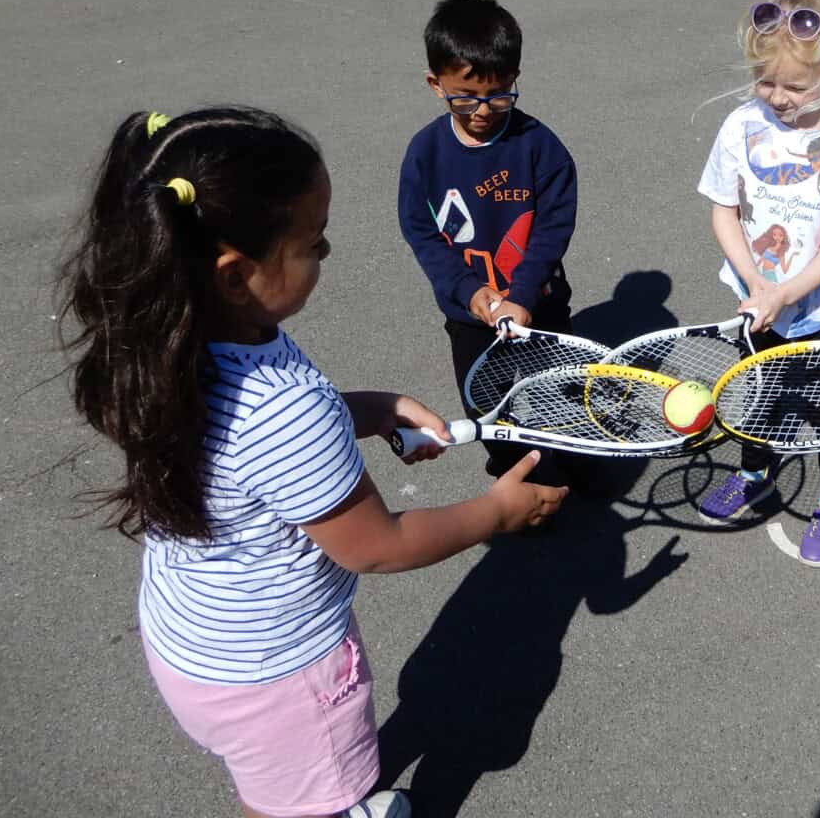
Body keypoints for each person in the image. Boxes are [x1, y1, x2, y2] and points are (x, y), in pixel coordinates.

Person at [58, 106, 567, 818]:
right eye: (313, 241)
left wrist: (377, 407)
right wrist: (497, 512)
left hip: (200, 641)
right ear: (236, 274)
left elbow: (260, 449)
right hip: (282, 679)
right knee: (296, 804)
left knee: (277, 789)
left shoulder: (176, 347)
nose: (326, 250)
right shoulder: (283, 409)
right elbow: (378, 546)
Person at [695, 0, 820, 567]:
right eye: (765, 81)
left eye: (795, 86)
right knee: (759, 394)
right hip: (756, 304)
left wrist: (785, 293)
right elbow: (724, 209)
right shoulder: (740, 125)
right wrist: (756, 285)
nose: (778, 97)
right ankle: (756, 472)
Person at [398, 0, 579, 488]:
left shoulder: (539, 146)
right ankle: (512, 474)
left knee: (558, 397)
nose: (482, 110)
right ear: (436, 84)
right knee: (486, 404)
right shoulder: (426, 153)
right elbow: (421, 231)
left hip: (539, 305)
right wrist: (471, 292)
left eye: (498, 95)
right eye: (465, 96)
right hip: (471, 317)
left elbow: (552, 228)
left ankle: (570, 466)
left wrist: (522, 295)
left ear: (514, 76)